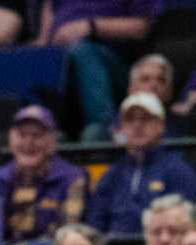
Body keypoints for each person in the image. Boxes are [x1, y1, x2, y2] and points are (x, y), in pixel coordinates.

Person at [35, 0, 157, 141]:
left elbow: (142, 27)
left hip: (115, 63)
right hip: (62, 56)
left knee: (83, 51)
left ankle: (105, 131)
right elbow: (49, 12)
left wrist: (91, 26)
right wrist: (44, 41)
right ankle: (40, 130)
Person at [85, 94, 196, 236]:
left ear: (160, 126)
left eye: (145, 119)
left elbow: (187, 223)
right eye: (130, 119)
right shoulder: (112, 173)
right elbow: (95, 223)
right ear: (121, 128)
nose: (137, 125)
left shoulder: (179, 170)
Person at [0, 105, 88, 245]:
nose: (28, 142)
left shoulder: (73, 178)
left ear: (53, 141)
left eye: (36, 135)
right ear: (10, 139)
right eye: (22, 135)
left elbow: (70, 233)